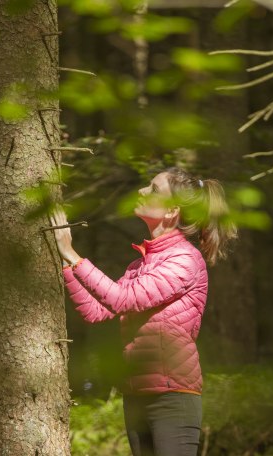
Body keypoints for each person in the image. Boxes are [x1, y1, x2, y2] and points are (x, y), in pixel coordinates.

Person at [49, 166, 237, 456]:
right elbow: (95, 311)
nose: (142, 191)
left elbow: (122, 299)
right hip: (136, 396)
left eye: (154, 188)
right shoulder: (140, 266)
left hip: (173, 397)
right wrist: (64, 263)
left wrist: (72, 253)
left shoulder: (185, 260)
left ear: (171, 211)